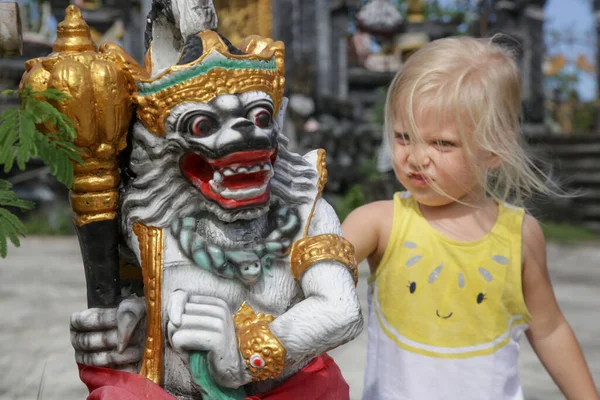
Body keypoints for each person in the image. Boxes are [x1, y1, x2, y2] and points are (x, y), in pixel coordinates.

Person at [342, 36, 599, 400]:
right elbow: (312, 274)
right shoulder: (379, 223)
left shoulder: (520, 236)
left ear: (493, 149)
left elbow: (549, 329)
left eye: (441, 143)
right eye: (403, 137)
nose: (416, 157)